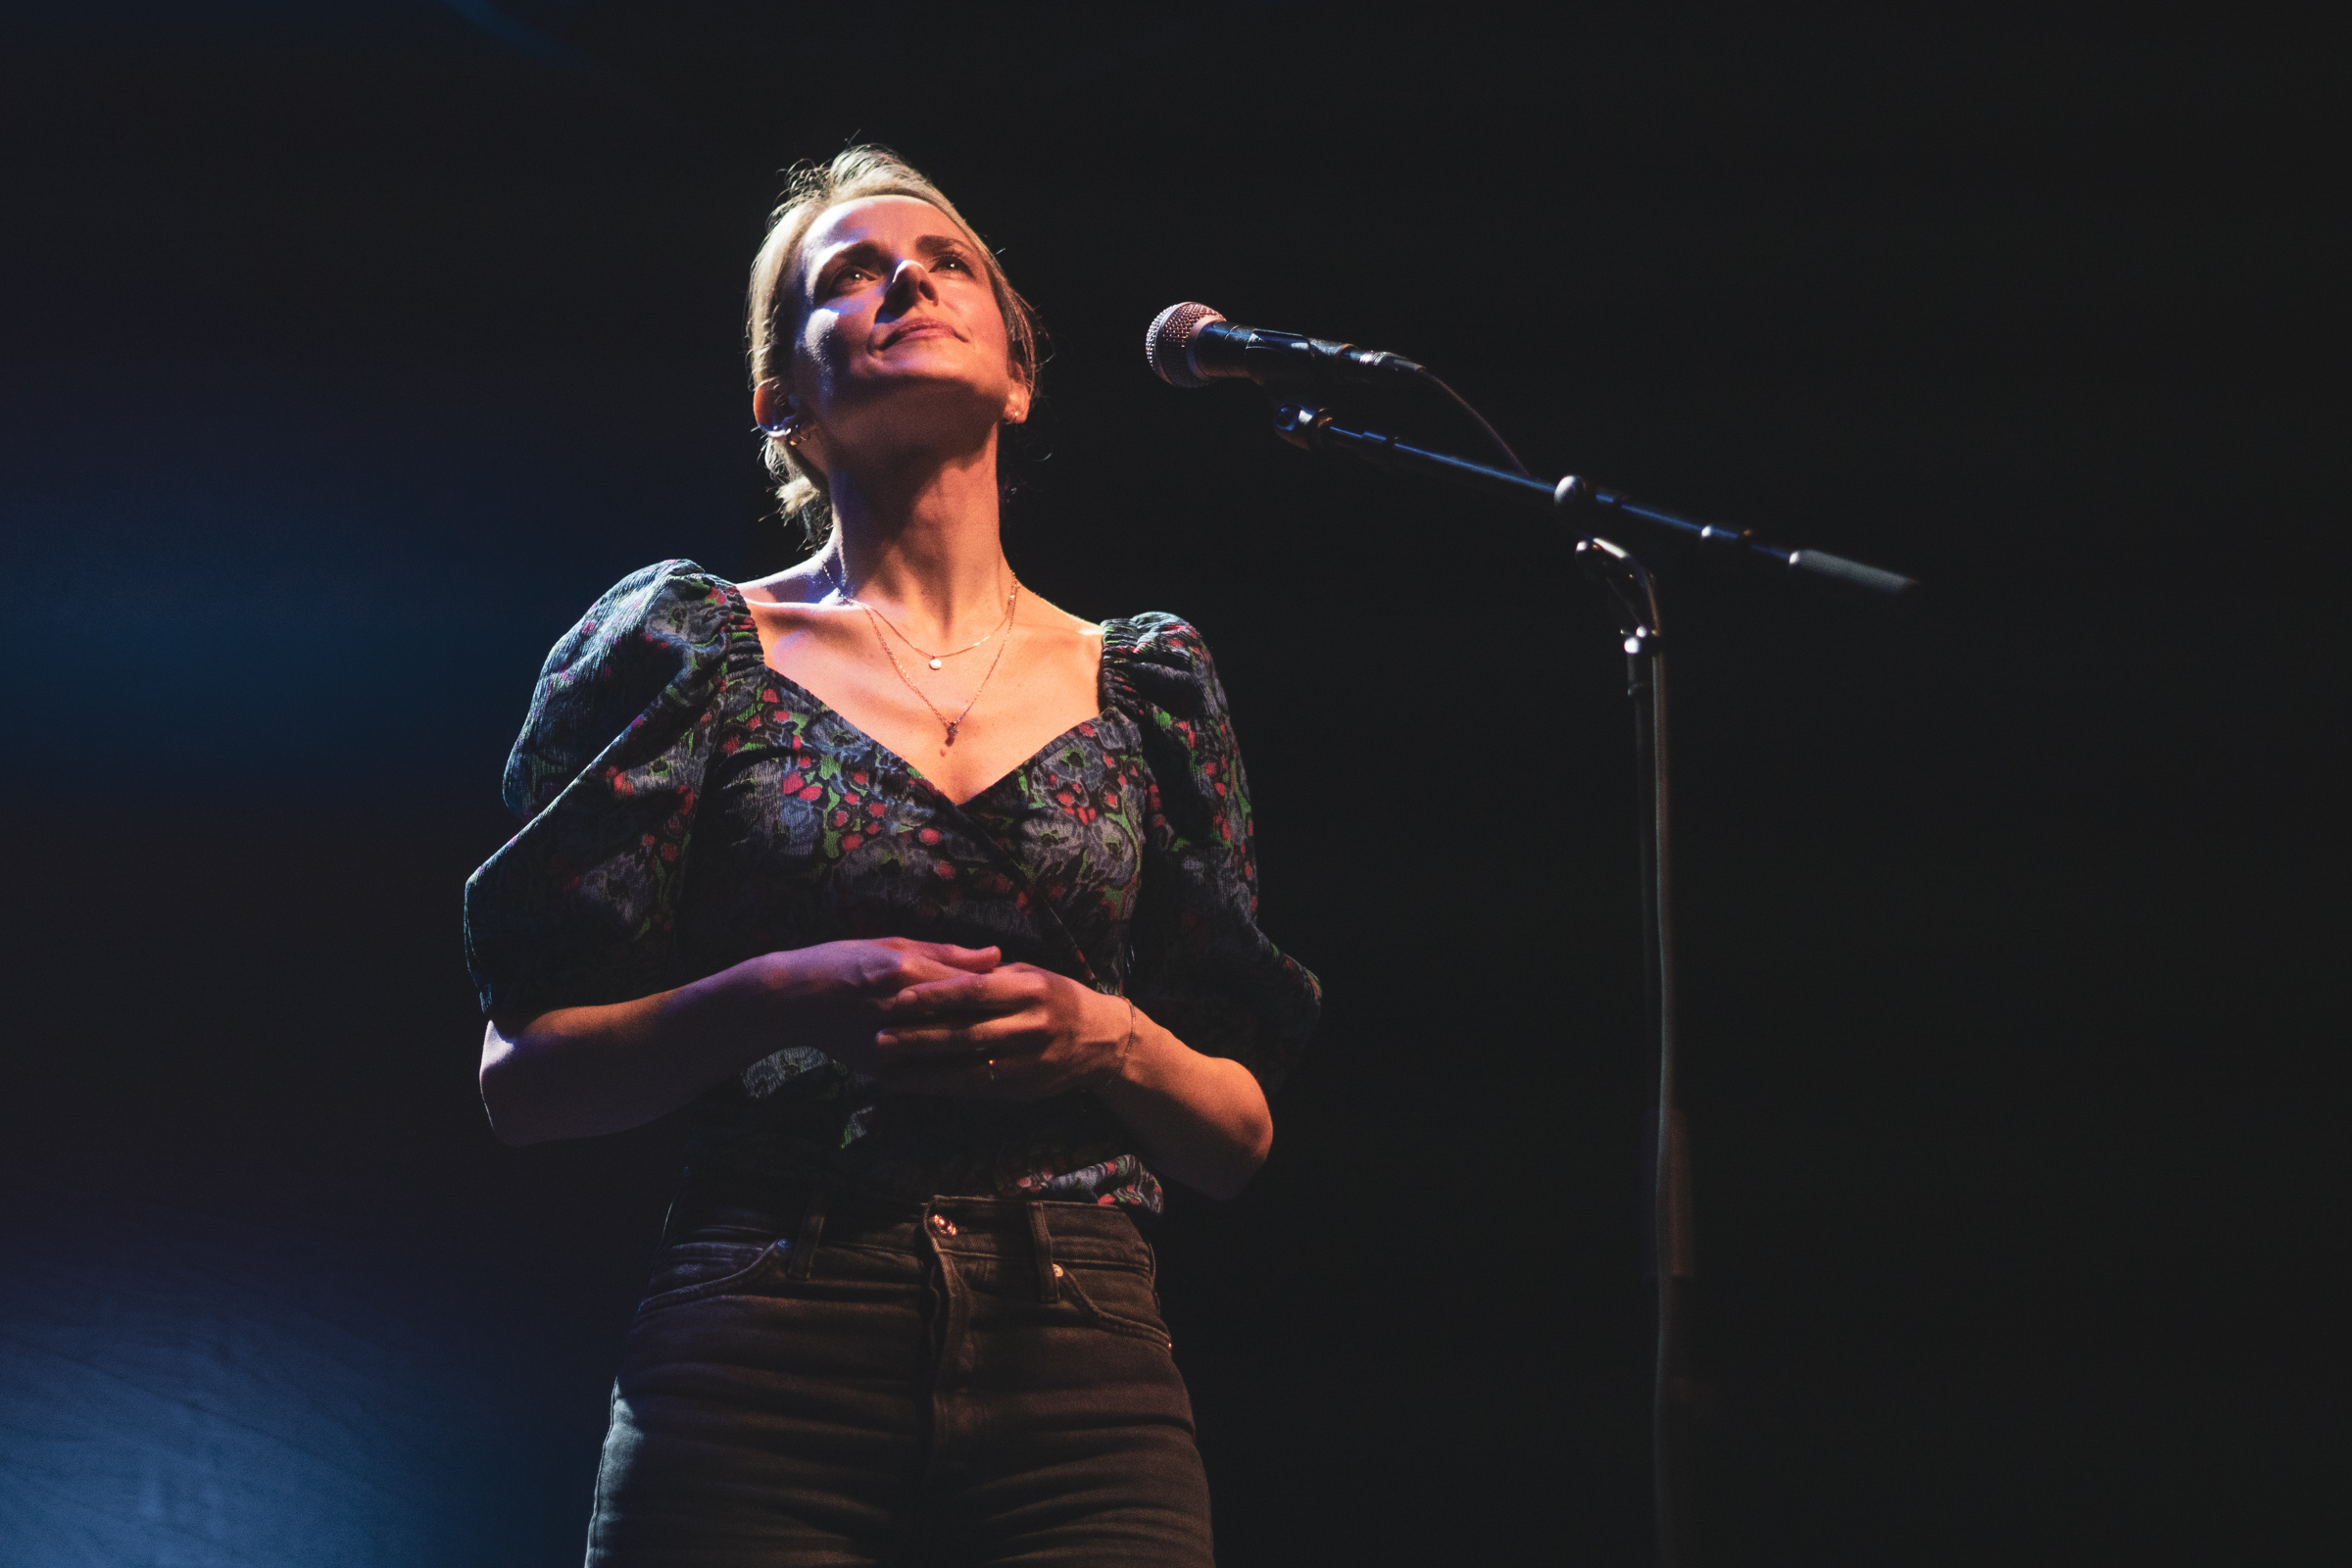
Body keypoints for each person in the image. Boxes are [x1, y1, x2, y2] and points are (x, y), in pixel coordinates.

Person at [464, 146, 1320, 1567]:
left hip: (1082, 1353)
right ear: (781, 405)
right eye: (846, 276)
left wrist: (1109, 1039)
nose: (904, 279)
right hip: (765, 1335)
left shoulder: (1147, 682)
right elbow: (523, 1084)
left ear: (1020, 372)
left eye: (945, 262)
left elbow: (1235, 1133)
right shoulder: (691, 652)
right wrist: (786, 994)